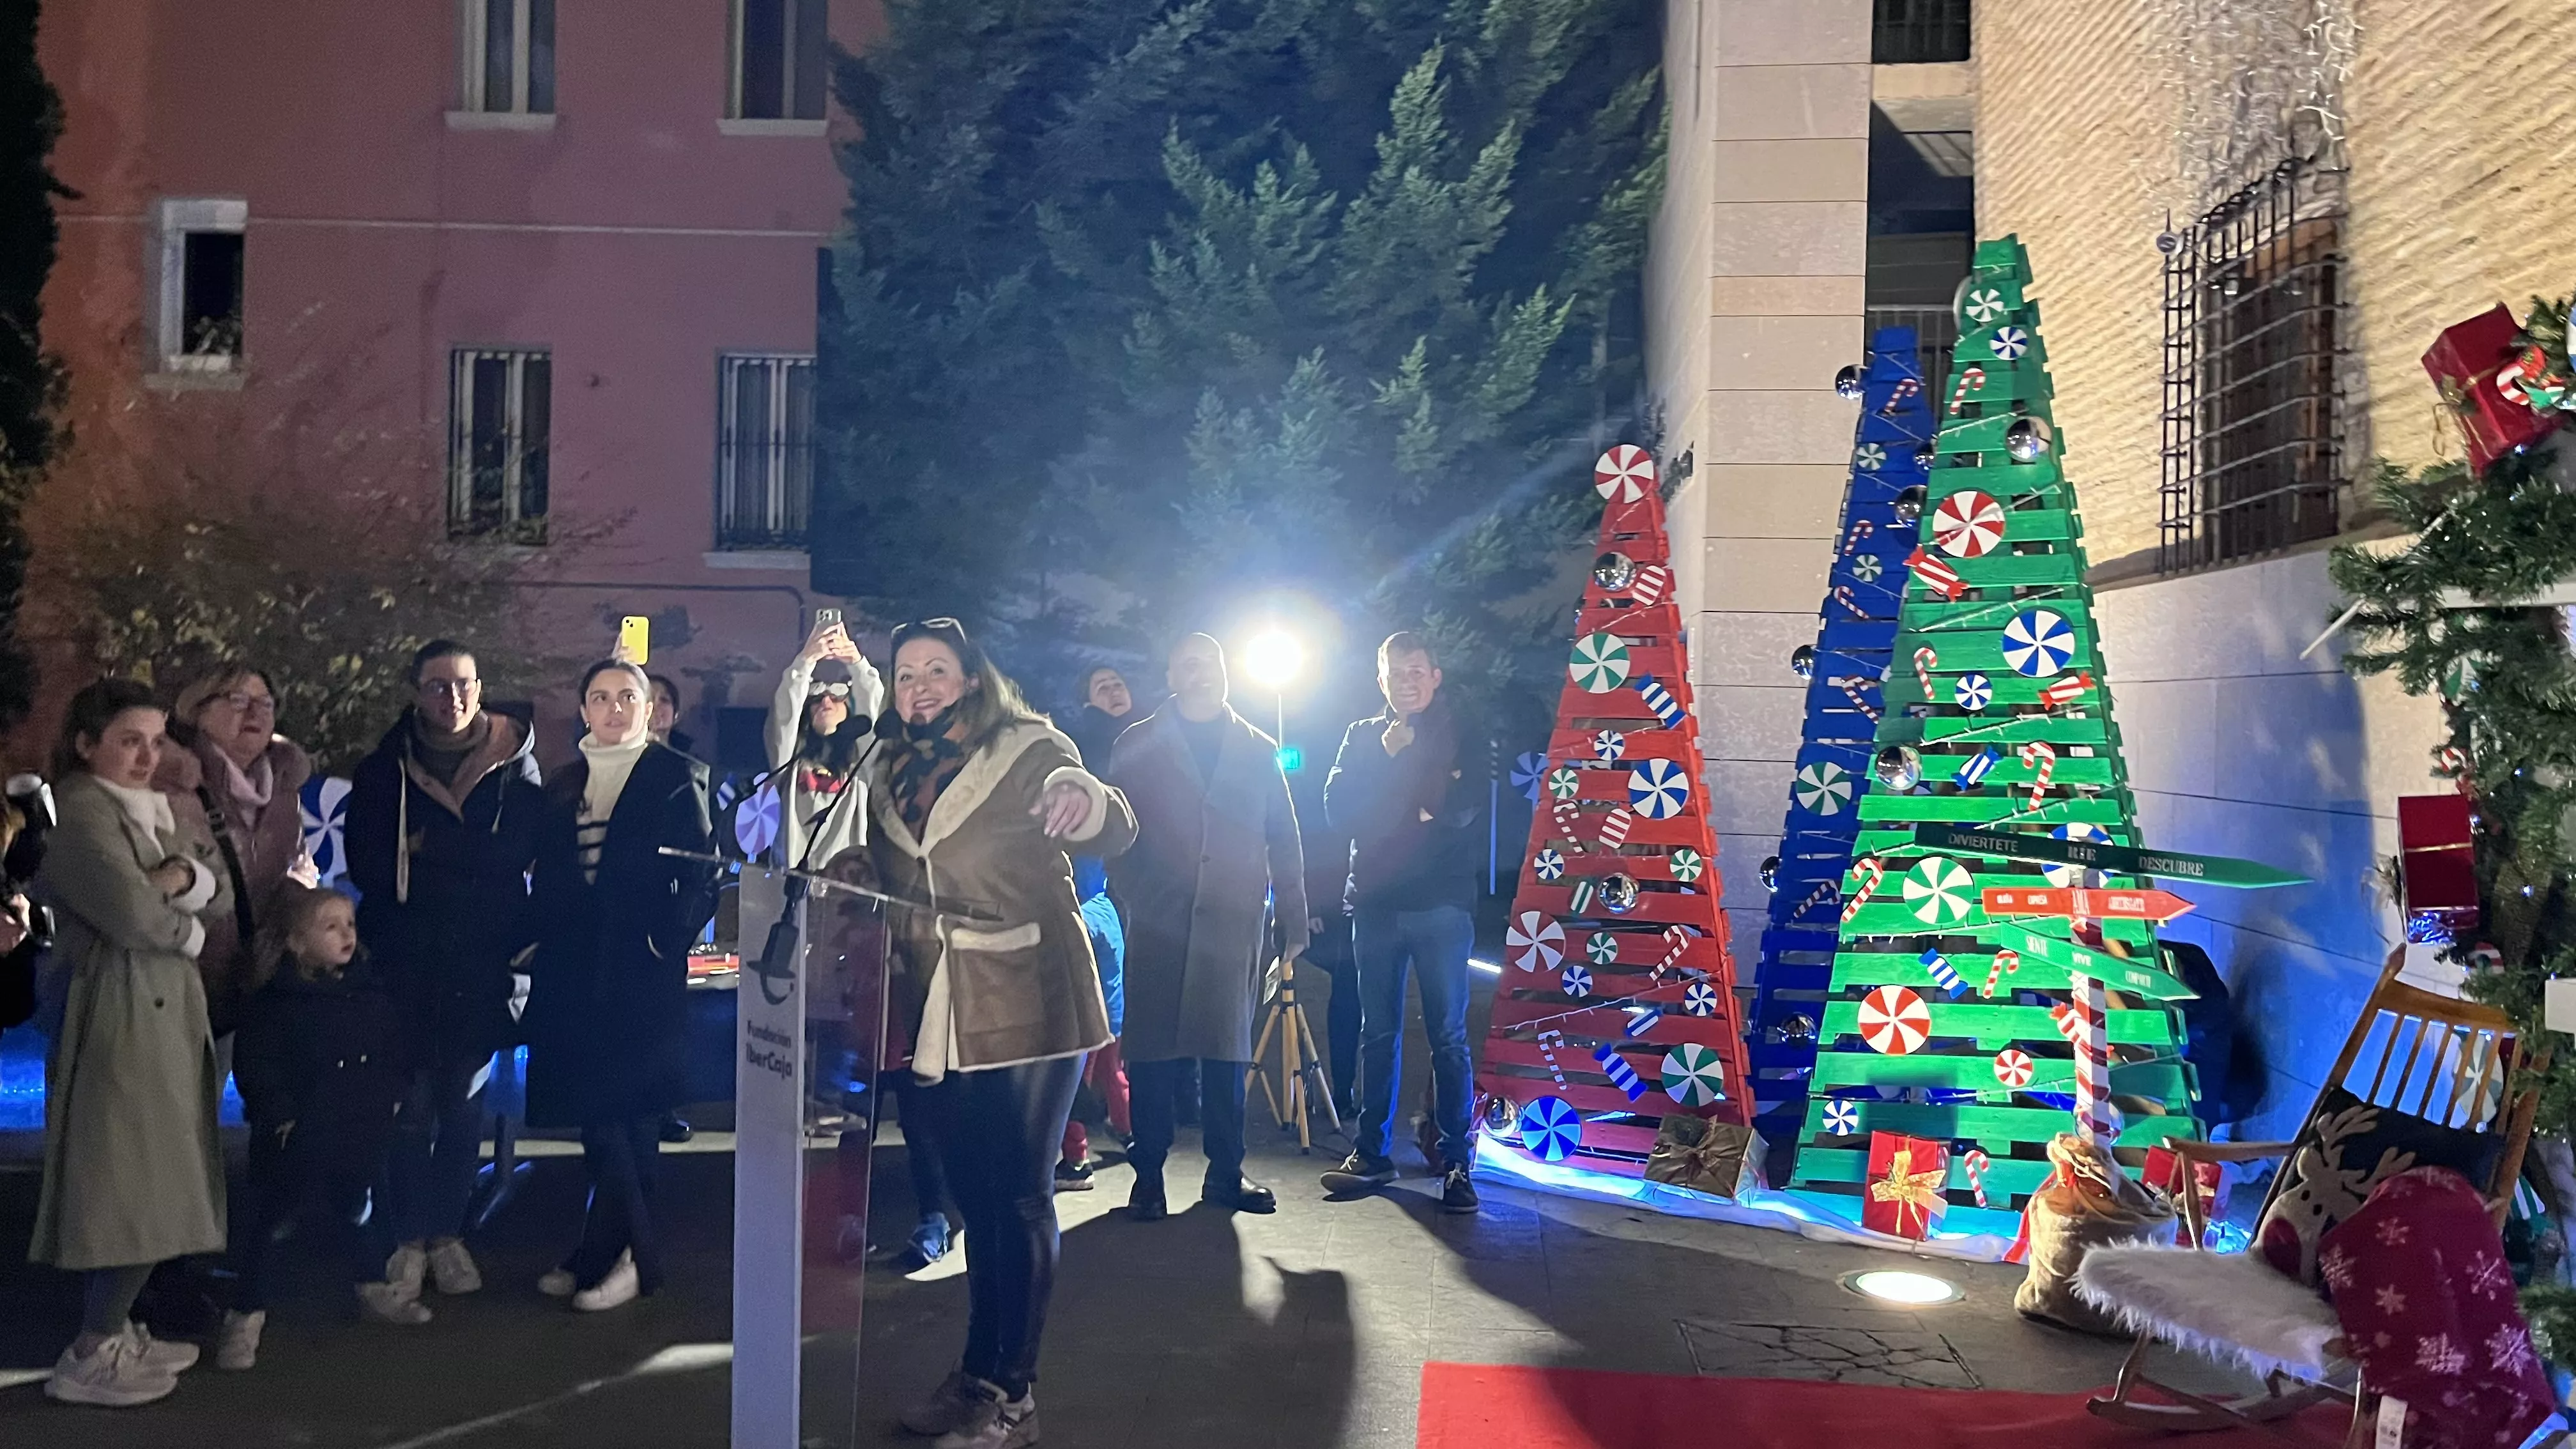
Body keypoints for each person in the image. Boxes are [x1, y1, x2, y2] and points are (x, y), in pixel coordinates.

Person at [855, 618, 1133, 1449]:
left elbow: (1110, 816)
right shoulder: (886, 768)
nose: (921, 686)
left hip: (1033, 996)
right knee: (976, 1200)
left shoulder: (1026, 746)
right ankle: (976, 1374)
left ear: (972, 679)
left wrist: (1086, 802)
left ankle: (1013, 1393)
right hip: (940, 1011)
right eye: (906, 674)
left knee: (1019, 1196)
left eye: (938, 670)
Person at [29, 679, 231, 1407]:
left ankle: (111, 1329)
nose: (148, 756)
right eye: (128, 740)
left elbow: (216, 881)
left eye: (155, 741)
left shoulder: (139, 809)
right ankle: (91, 1349)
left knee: (154, 1177)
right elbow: (136, 919)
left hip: (156, 1008)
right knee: (131, 1180)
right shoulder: (82, 812)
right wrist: (188, 915)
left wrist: (174, 874)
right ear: (87, 745)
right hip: (117, 1011)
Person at [344, 640, 542, 1307]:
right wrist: (467, 864)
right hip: (403, 961)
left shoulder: (517, 766)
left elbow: (519, 849)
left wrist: (428, 856)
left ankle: (447, 1236)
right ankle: (408, 1238)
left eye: (463, 685)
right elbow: (371, 866)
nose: (451, 698)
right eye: (437, 686)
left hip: (482, 963)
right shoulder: (382, 770)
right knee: (407, 1107)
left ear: (481, 690)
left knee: (462, 1105)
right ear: (414, 691)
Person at [523, 660, 718, 1312]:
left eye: (626, 697)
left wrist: (667, 942)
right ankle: (599, 1251)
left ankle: (639, 1259)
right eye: (600, 698)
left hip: (638, 972)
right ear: (582, 710)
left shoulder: (672, 777)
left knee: (627, 1119)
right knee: (595, 1118)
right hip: (573, 973)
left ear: (648, 707)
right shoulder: (565, 783)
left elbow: (702, 874)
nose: (613, 708)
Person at [1106, 634, 1308, 1220]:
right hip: (1159, 922)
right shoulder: (1137, 744)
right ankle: (1148, 1178)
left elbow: (1284, 835)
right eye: (1188, 664)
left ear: (1226, 673)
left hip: (1231, 922)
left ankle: (1225, 1173)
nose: (1201, 674)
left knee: (1227, 1056)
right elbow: (1116, 833)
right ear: (1170, 673)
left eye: (1211, 664)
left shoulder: (1258, 746)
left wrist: (1293, 916)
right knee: (1151, 1056)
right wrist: (1137, 896)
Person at [1319, 632, 1483, 1215]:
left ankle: (1459, 1162)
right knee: (1377, 1032)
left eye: (1417, 670)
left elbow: (1462, 812)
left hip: (1441, 904)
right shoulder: (1364, 738)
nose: (1406, 680)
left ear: (1436, 676)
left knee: (1449, 1036)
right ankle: (1371, 1153)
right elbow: (1337, 811)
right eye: (1395, 672)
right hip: (1375, 904)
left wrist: (1394, 813)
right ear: (1380, 679)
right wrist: (1397, 782)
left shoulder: (1461, 732)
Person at [218, 885, 416, 1368]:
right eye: (331, 927)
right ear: (296, 943)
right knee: (271, 1220)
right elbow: (258, 1065)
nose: (347, 935)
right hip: (298, 1135)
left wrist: (390, 1098)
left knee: (359, 1207)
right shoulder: (276, 1003)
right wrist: (280, 1116)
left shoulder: (368, 991)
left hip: (360, 1129)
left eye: (350, 924)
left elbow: (392, 1051)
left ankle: (371, 1284)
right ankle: (245, 1314)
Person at [154, 666, 317, 1036]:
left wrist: (298, 904)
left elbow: (299, 863)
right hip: (181, 983)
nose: (255, 712)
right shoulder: (168, 782)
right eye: (238, 700)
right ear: (196, 710)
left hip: (259, 981)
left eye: (265, 703)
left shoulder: (283, 785)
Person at [765, 615, 885, 874]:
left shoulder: (860, 766)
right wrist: (806, 660)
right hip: (793, 881)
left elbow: (874, 718)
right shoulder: (789, 763)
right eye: (818, 699)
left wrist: (857, 663)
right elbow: (784, 715)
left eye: (837, 698)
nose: (826, 703)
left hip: (846, 885)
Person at [646, 673, 696, 755]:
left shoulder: (688, 764)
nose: (655, 705)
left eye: (664, 700)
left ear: (676, 715)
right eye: (648, 698)